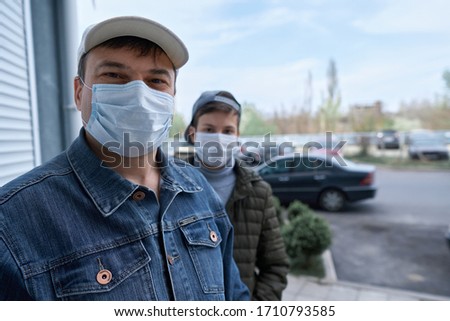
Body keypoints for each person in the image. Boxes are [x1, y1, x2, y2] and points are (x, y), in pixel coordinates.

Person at [0, 16, 249, 301]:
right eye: (114, 76)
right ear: (79, 93)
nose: (139, 96)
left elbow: (234, 296)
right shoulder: (13, 223)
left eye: (156, 80)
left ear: (172, 97)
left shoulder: (199, 189)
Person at [183, 90, 290, 300]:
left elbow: (275, 266)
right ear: (194, 134)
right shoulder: (170, 186)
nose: (219, 138)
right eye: (209, 129)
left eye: (228, 131)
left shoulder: (258, 192)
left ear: (237, 136)